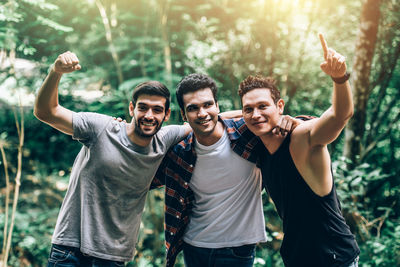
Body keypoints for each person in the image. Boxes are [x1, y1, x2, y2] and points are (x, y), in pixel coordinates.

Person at [34, 51, 190, 266]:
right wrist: (55, 72)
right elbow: (46, 112)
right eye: (143, 107)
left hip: (114, 257)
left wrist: (250, 115)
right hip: (70, 249)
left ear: (166, 115)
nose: (149, 115)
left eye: (157, 110)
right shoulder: (101, 128)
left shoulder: (165, 139)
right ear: (131, 108)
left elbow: (208, 120)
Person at [238, 34, 360, 266]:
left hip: (333, 258)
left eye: (263, 106)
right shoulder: (258, 145)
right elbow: (222, 119)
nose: (255, 115)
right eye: (248, 109)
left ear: (280, 106)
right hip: (297, 258)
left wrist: (340, 78)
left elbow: (339, 115)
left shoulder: (301, 137)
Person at [151, 73, 297, 267]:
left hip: (237, 250)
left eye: (207, 105)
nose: (202, 113)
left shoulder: (247, 133)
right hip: (194, 248)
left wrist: (288, 119)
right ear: (184, 115)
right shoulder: (179, 152)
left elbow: (311, 126)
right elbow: (141, 176)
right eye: (193, 108)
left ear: (217, 106)